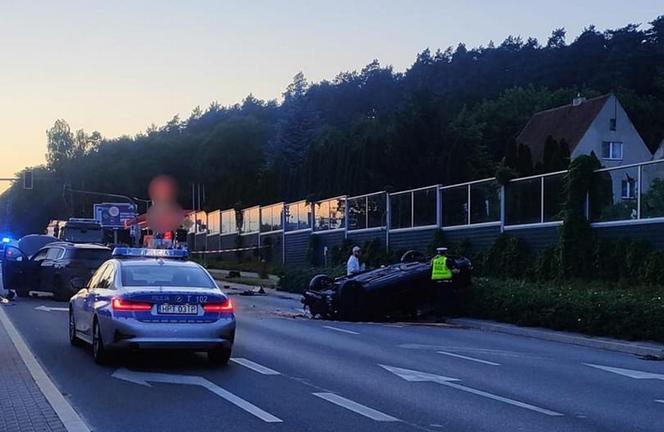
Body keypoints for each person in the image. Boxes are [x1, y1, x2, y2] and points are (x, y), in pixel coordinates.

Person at [430, 247, 459, 319]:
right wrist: (458, 270)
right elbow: (455, 271)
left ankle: (438, 316)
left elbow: (430, 268)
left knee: (439, 300)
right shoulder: (447, 260)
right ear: (446, 253)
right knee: (448, 299)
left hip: (437, 283)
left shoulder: (434, 260)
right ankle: (449, 314)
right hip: (446, 283)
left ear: (438, 253)